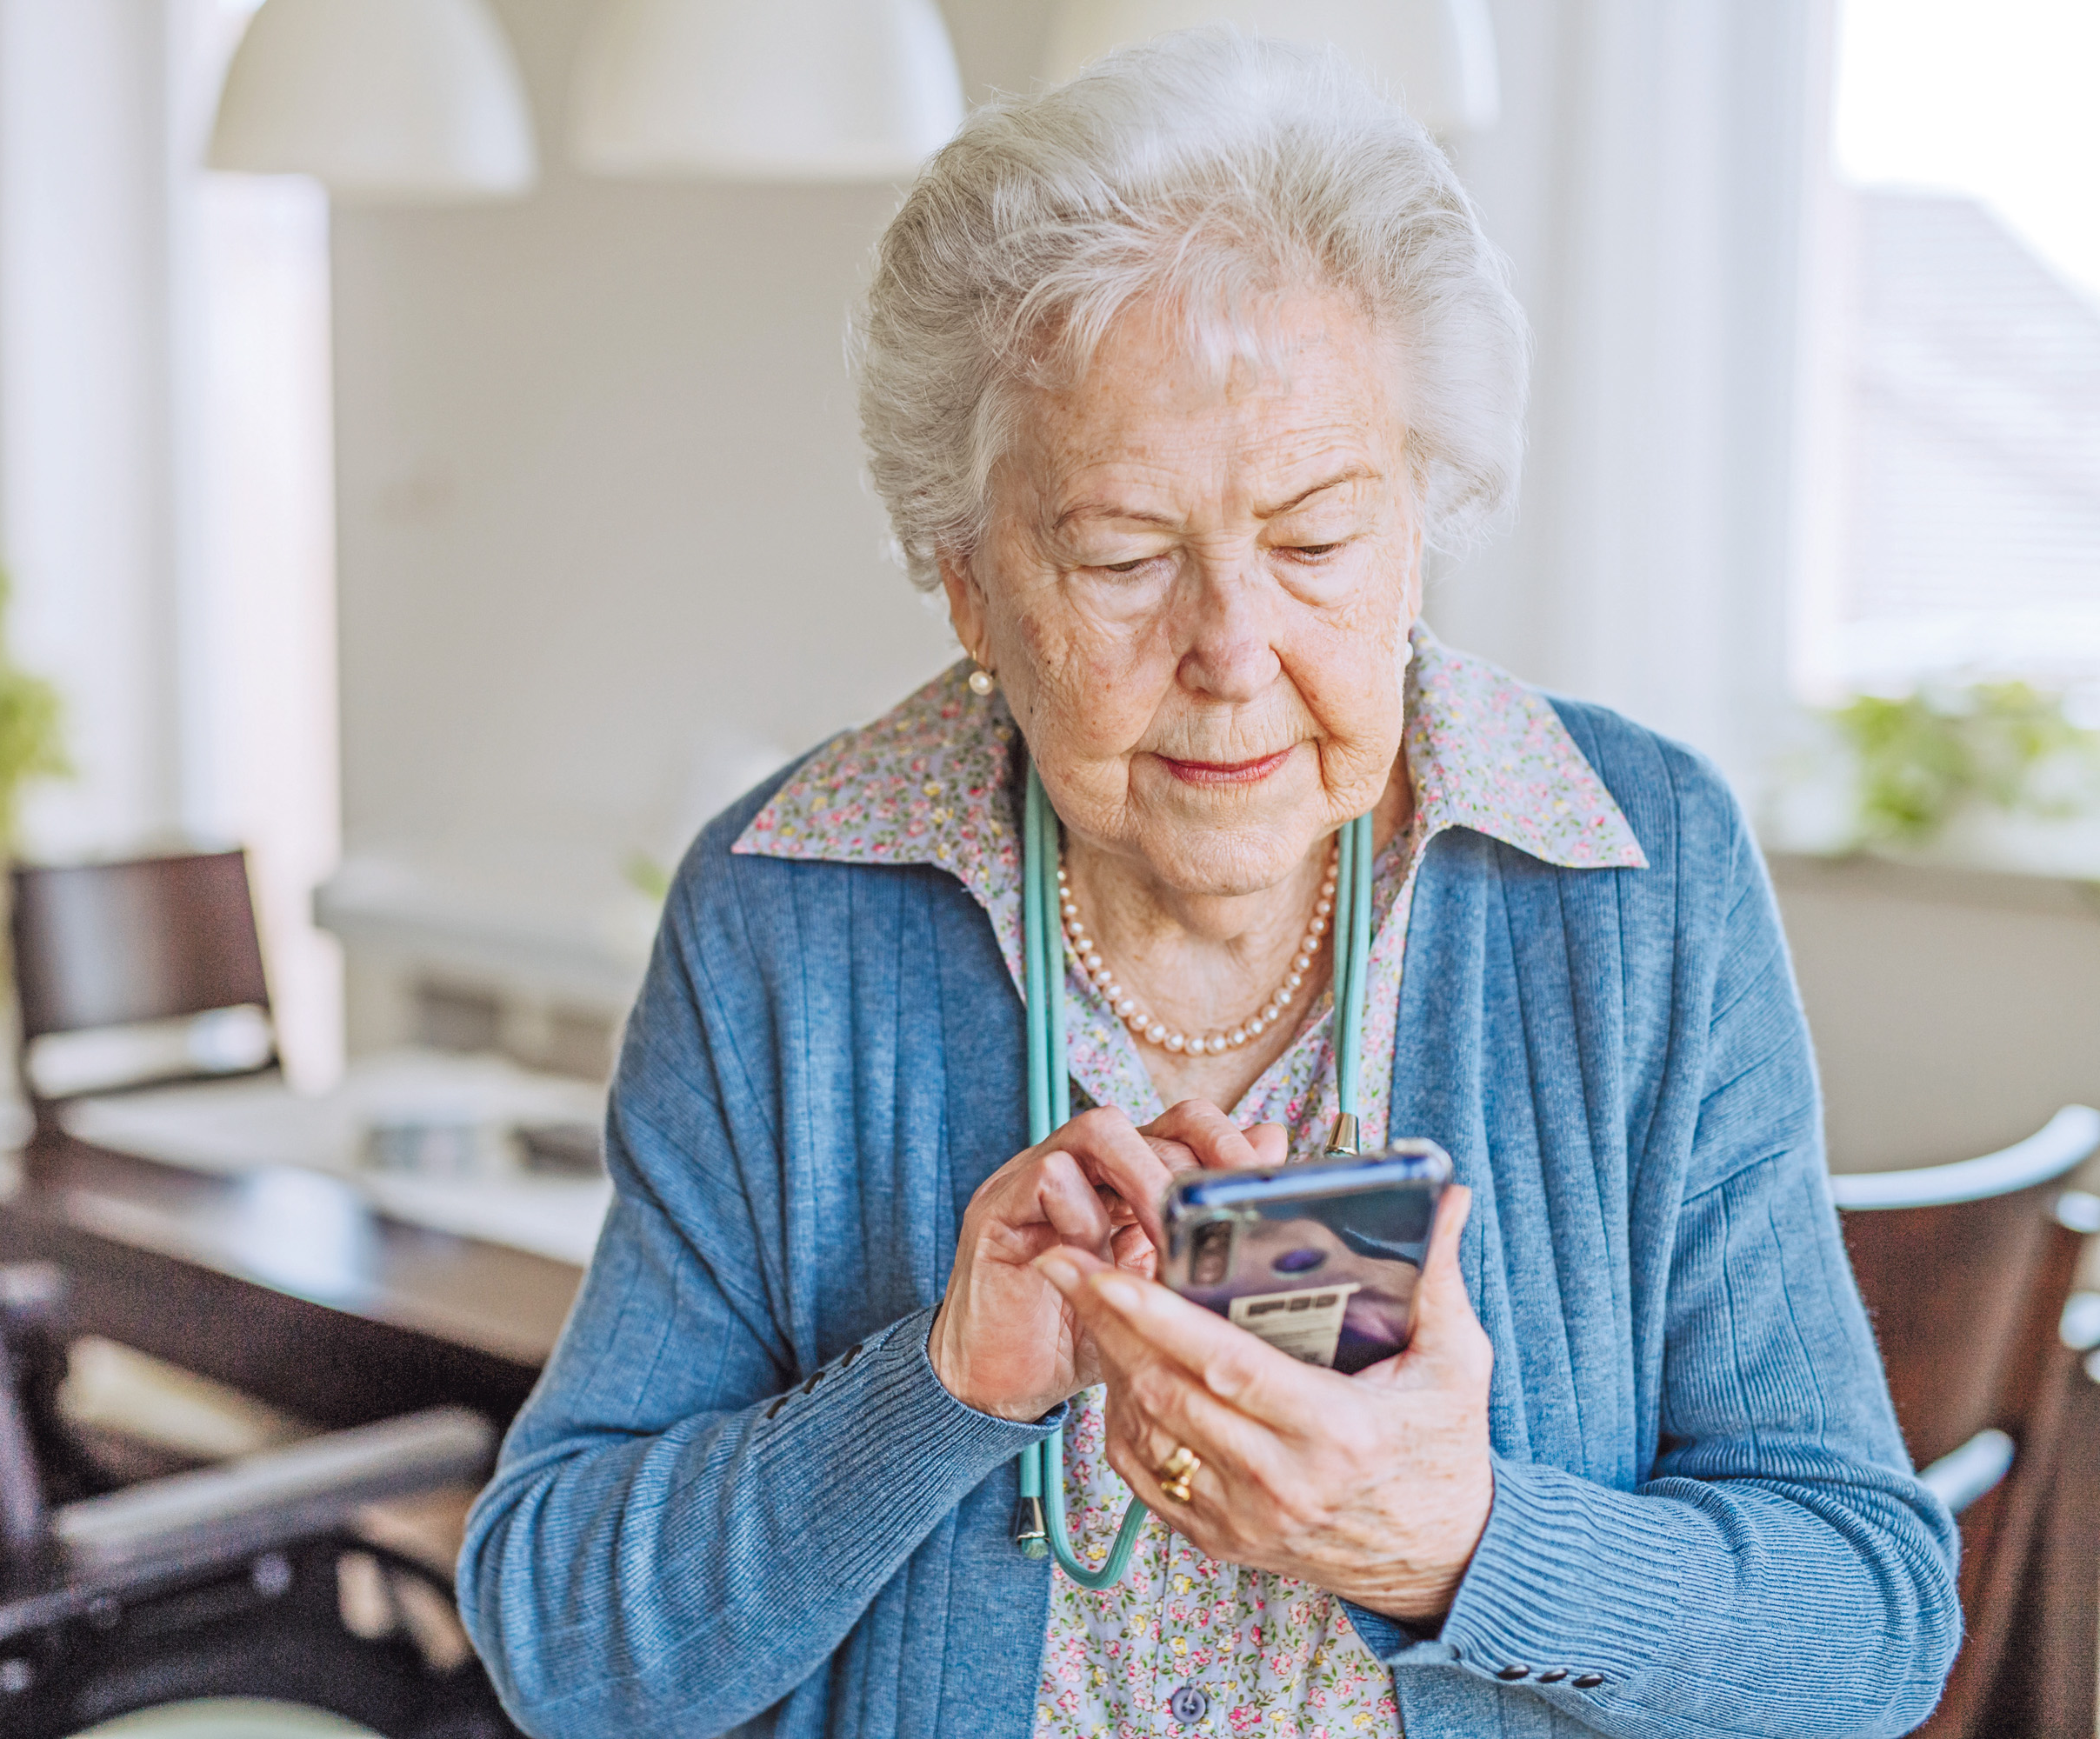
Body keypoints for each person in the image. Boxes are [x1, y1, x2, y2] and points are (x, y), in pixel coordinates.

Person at [459, 31, 1958, 1739]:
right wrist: (938, 1387)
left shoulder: (1631, 870)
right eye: (1119, 557)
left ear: (1421, 522)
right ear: (964, 580)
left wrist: (1460, 1544)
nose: (1231, 652)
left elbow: (1869, 1631)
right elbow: (566, 1646)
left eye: (1318, 540)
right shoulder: (789, 911)